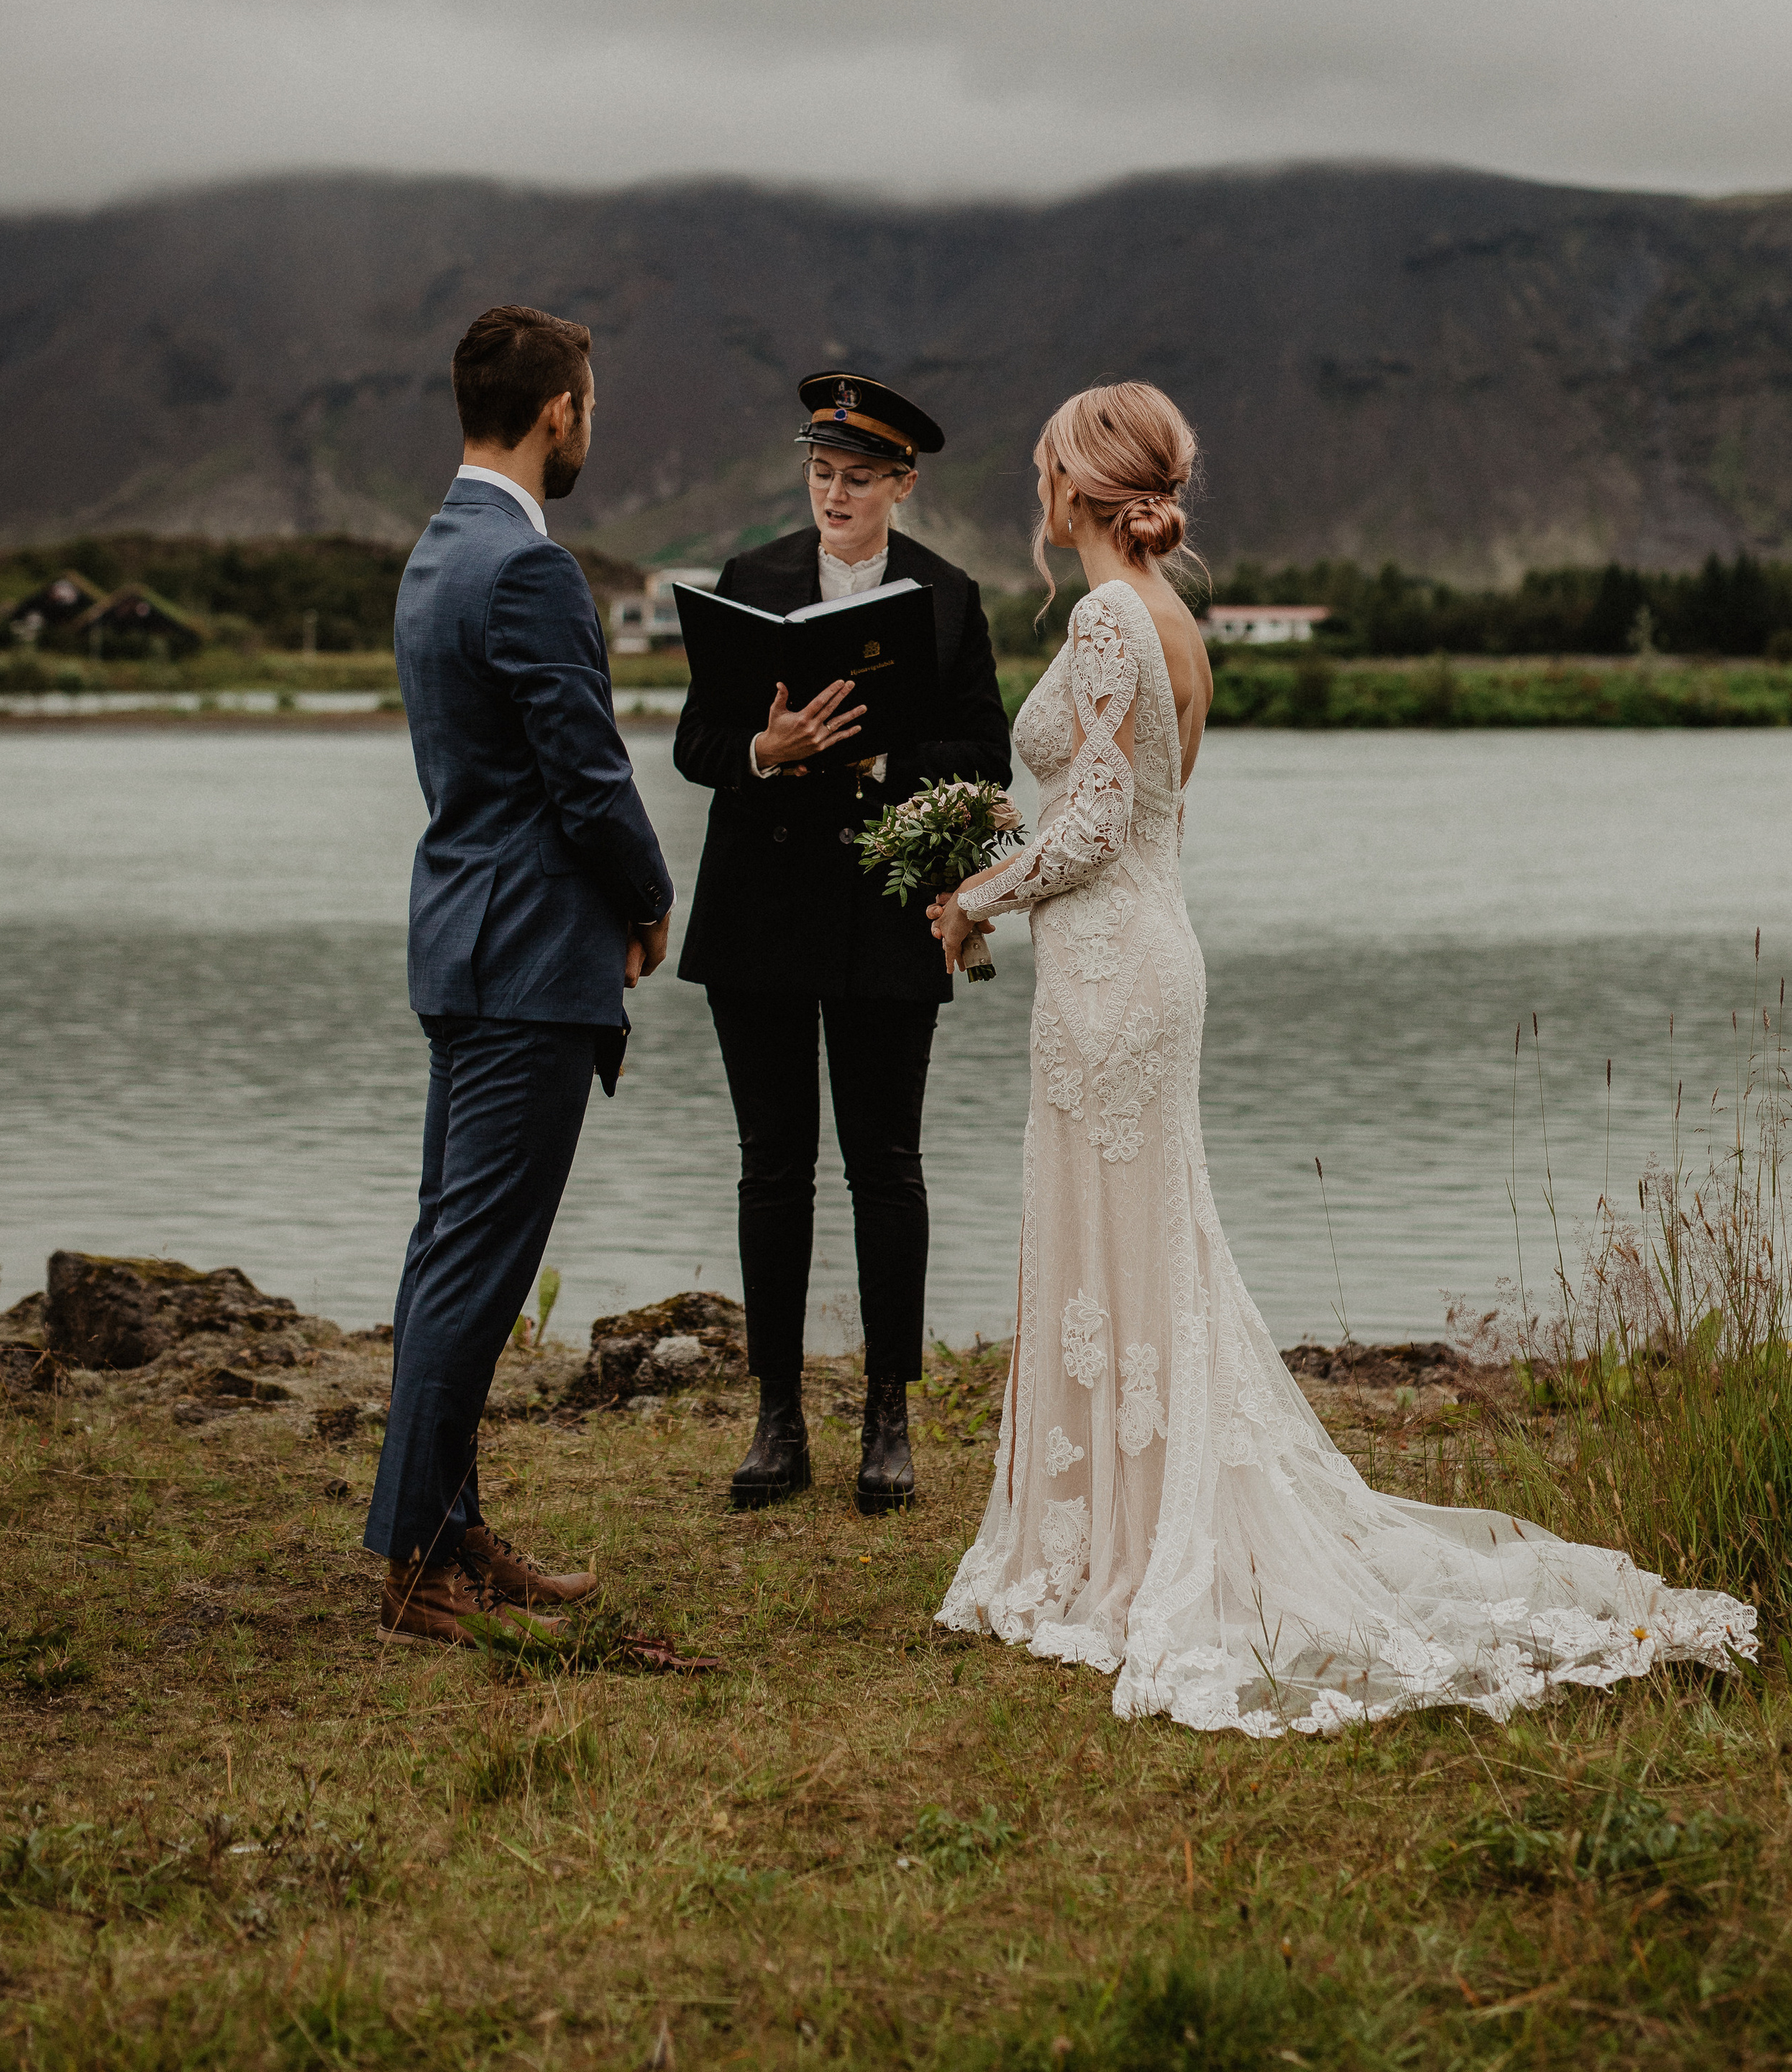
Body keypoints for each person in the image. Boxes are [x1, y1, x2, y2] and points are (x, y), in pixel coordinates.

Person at [930, 383, 1754, 1733]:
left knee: (1121, 1239)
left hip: (1114, 970)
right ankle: (1113, 1520)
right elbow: (1141, 816)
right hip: (1140, 953)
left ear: (1078, 486)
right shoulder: (1170, 616)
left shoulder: (1105, 616)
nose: (1036, 484)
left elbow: (1092, 829)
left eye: (1044, 465)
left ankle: (1117, 1547)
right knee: (1138, 1241)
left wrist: (973, 897)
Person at [365, 304, 675, 1647]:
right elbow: (586, 775)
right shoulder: (530, 571)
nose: (591, 424)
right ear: (560, 412)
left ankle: (454, 1531)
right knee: (473, 1272)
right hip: (528, 961)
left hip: (461, 943)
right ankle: (417, 1560)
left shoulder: (439, 552)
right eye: (589, 404)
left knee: (448, 1254)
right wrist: (650, 898)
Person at [675, 371, 1012, 1513]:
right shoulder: (750, 580)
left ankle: (887, 1419)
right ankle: (776, 1420)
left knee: (886, 1166)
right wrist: (765, 751)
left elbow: (986, 756)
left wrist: (875, 758)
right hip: (758, 911)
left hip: (884, 914)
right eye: (822, 473)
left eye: (859, 479)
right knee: (773, 1165)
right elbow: (696, 743)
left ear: (902, 485)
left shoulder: (948, 596)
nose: (835, 495)